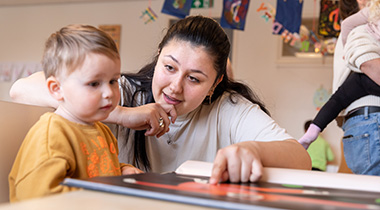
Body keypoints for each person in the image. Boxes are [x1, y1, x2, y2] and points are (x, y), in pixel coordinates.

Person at [9, 15, 311, 184]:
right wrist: (120, 113)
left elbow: (301, 158)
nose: (175, 87)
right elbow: (20, 89)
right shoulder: (119, 91)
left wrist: (251, 149)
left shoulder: (228, 109)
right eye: (168, 68)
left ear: (215, 83)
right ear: (158, 58)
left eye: (194, 79)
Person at [8, 24, 144, 202]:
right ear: (57, 89)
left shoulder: (101, 130)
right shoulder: (51, 135)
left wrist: (121, 170)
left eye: (113, 81)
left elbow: (94, 171)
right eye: (94, 83)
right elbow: (38, 198)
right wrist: (109, 190)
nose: (109, 92)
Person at [300, 0, 380, 175]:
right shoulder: (362, 27)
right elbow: (368, 64)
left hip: (360, 119)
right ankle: (312, 132)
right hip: (371, 116)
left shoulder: (360, 25)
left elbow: (339, 98)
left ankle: (312, 131)